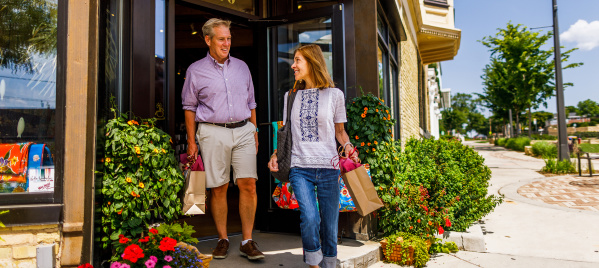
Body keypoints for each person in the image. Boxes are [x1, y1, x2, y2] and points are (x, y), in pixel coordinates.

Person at [267, 44, 358, 268]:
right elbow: (286, 132)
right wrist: (276, 154)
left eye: (298, 60)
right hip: (300, 166)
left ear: (312, 62)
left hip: (328, 168)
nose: (293, 65)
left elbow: (339, 131)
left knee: (329, 223)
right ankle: (314, 263)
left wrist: (348, 147)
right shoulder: (291, 96)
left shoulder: (335, 95)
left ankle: (329, 264)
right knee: (309, 218)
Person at [181, 18, 264, 261]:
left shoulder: (242, 67)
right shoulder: (195, 70)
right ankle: (222, 239)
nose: (226, 43)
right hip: (212, 131)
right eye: (221, 39)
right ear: (208, 40)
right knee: (219, 188)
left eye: (228, 38)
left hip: (244, 129)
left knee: (249, 184)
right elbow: (189, 107)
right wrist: (191, 141)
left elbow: (251, 103)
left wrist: (254, 131)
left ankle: (247, 241)